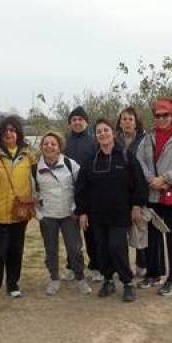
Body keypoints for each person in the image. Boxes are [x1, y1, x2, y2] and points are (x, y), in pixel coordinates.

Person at [75, 118, 147, 302]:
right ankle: (108, 280)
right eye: (99, 132)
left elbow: (139, 183)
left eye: (106, 130)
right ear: (96, 136)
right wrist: (82, 212)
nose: (103, 134)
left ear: (113, 133)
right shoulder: (90, 160)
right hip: (97, 215)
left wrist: (137, 205)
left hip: (120, 214)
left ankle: (127, 282)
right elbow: (81, 188)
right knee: (102, 249)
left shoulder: (126, 156)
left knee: (116, 247)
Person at [136, 97, 172, 296]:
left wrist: (165, 178)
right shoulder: (147, 137)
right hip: (152, 194)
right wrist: (151, 179)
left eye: (165, 115)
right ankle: (154, 273)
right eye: (158, 115)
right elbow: (139, 161)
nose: (161, 119)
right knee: (152, 237)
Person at [32, 132, 92, 296]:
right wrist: (39, 215)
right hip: (48, 217)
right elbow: (33, 195)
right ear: (41, 147)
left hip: (69, 216)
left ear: (59, 147)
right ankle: (54, 279)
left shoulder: (70, 164)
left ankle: (80, 278)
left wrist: (77, 210)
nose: (49, 146)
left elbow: (81, 188)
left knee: (75, 249)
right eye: (46, 143)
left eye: (53, 144)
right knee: (50, 250)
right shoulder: (34, 168)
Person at [0, 115, 36, 300]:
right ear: (1, 134)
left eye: (13, 130)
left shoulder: (28, 155)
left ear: (18, 133)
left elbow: (38, 179)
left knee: (16, 249)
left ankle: (13, 284)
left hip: (19, 211)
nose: (9, 133)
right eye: (5, 130)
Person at [64, 106, 102, 282]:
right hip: (68, 193)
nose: (77, 122)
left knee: (91, 233)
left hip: (90, 194)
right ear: (70, 123)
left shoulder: (94, 142)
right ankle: (72, 266)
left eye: (80, 119)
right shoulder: (64, 142)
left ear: (86, 122)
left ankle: (96, 266)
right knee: (71, 234)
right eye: (74, 119)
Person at [116, 106, 147, 278]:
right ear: (119, 122)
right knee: (121, 233)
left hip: (139, 189)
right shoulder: (114, 140)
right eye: (124, 119)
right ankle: (123, 267)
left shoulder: (144, 140)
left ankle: (142, 264)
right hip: (120, 192)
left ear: (136, 122)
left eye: (130, 119)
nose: (127, 122)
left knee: (139, 229)